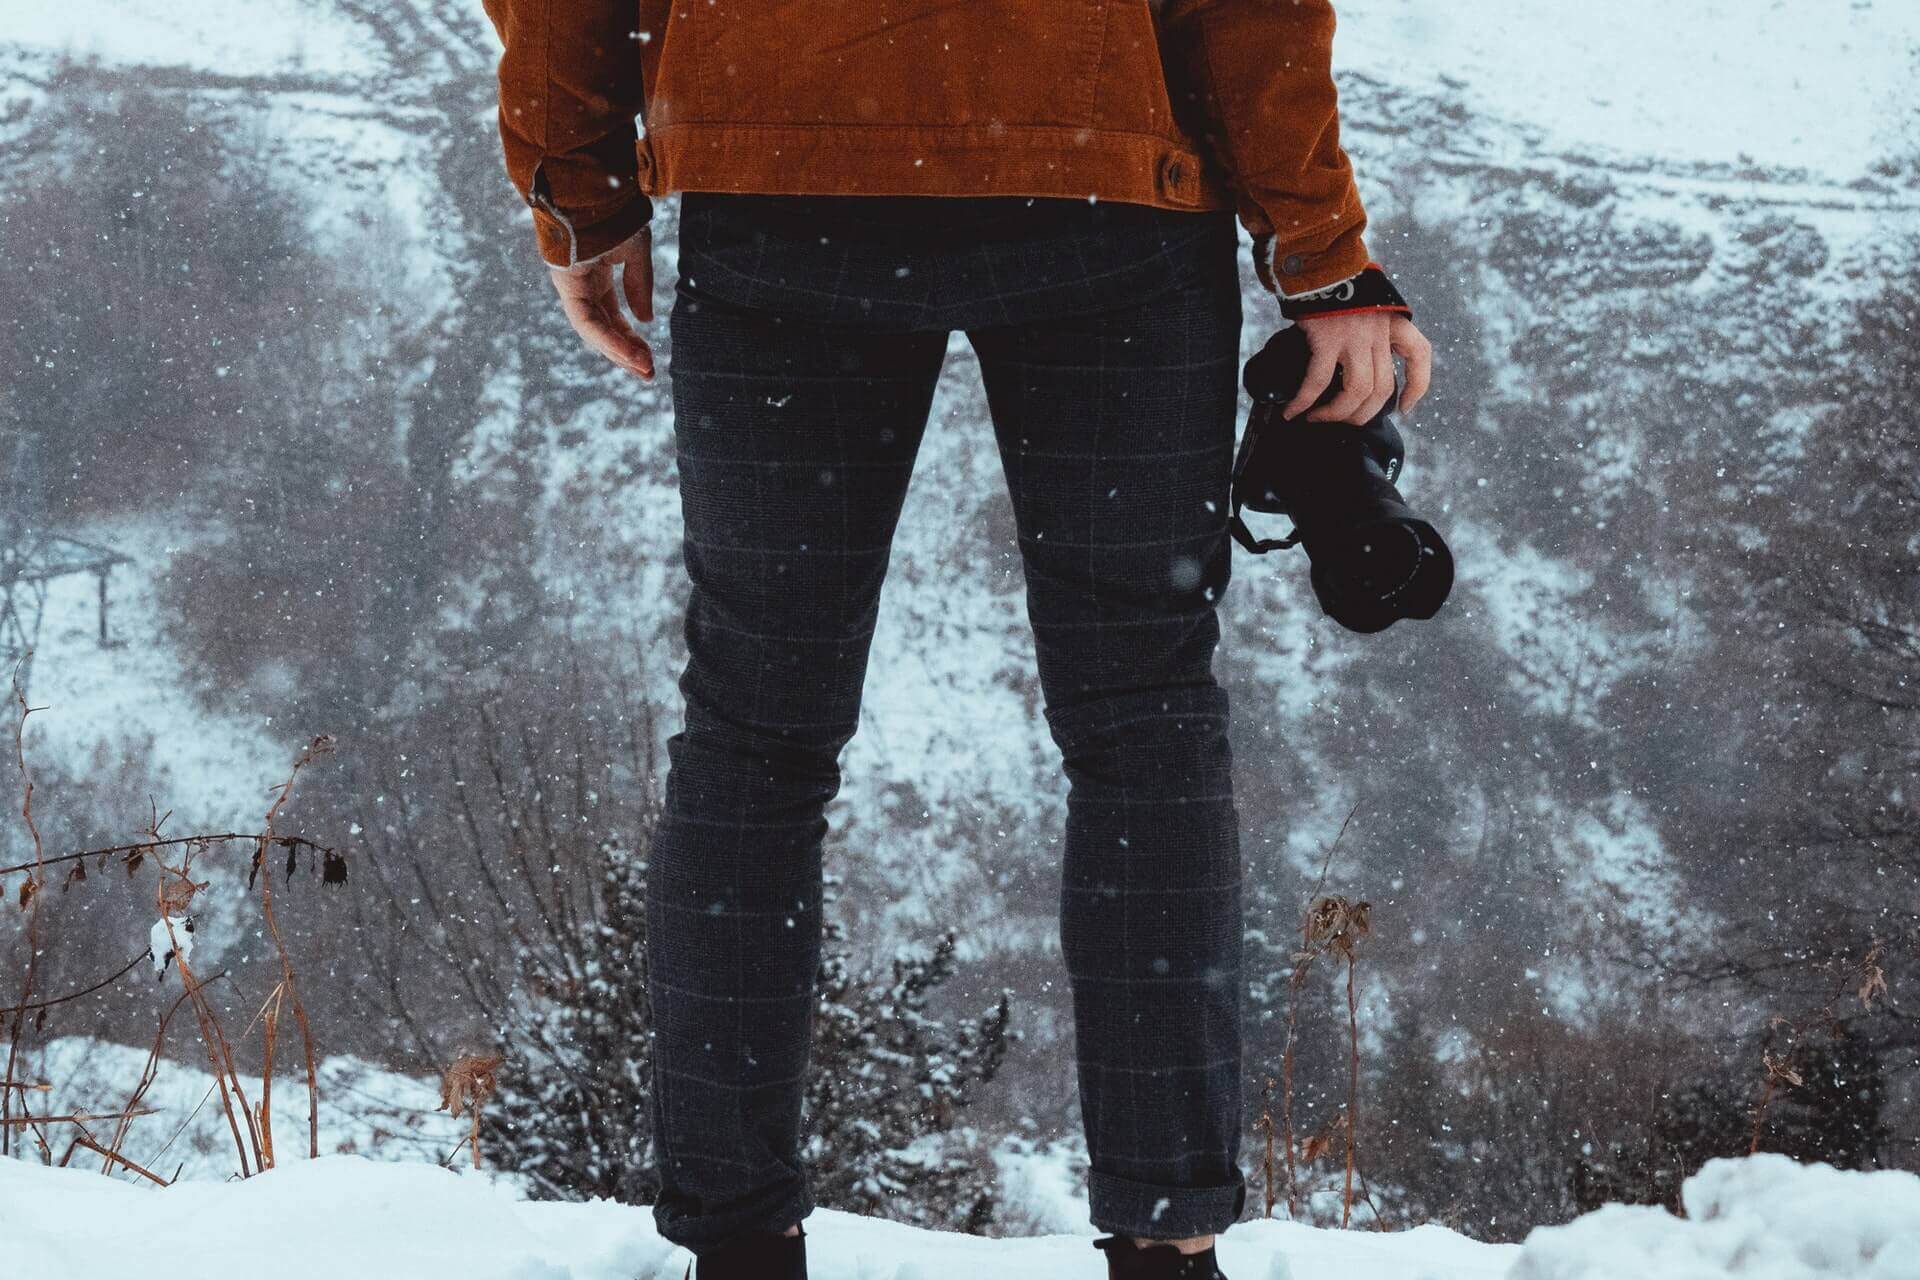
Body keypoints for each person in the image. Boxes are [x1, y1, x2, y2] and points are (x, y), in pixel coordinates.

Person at [481, 4, 1433, 1278]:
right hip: (1105, 181)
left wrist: (581, 193)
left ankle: (739, 1244)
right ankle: (1169, 1240)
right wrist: (1324, 254)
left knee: (755, 731)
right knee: (1142, 716)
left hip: (784, 175)